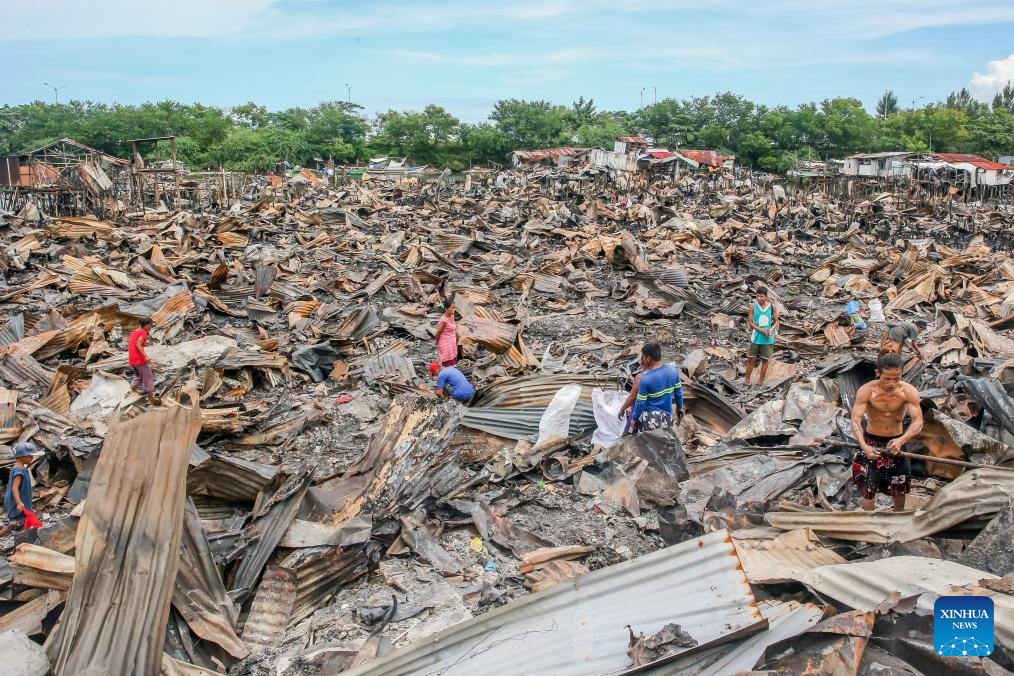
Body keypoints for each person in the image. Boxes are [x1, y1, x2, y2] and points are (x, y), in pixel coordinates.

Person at [850, 352, 924, 511]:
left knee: (899, 487)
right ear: (878, 373)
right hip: (871, 442)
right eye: (887, 378)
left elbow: (918, 421)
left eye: (896, 378)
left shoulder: (907, 391)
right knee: (868, 488)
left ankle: (898, 518)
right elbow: (855, 421)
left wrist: (901, 441)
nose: (892, 383)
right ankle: (869, 525)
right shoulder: (867, 391)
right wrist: (863, 445)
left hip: (896, 443)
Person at [618, 342, 684, 433]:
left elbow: (640, 402)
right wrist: (679, 408)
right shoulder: (673, 371)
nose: (642, 360)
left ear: (648, 358)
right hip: (667, 416)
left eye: (643, 357)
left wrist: (634, 418)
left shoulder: (645, 378)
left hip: (650, 419)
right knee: (662, 442)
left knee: (648, 443)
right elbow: (679, 393)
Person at [0, 443, 36, 538]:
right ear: (22, 456)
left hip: (15, 499)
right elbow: (14, 488)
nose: (32, 457)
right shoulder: (19, 470)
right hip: (16, 500)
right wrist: (19, 503)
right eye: (30, 456)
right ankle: (21, 542)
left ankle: (23, 539)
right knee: (17, 523)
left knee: (21, 521)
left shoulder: (17, 467)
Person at [745, 287, 778, 385]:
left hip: (768, 338)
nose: (759, 298)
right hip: (756, 337)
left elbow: (776, 321)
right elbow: (750, 323)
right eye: (757, 296)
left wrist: (771, 330)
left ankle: (761, 380)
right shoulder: (753, 307)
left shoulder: (772, 307)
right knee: (751, 359)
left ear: (766, 296)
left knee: (765, 360)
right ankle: (747, 379)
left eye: (762, 296)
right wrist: (762, 331)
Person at [128, 317, 155, 404]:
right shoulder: (143, 332)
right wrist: (146, 356)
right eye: (150, 325)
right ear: (147, 325)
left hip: (132, 359)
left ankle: (128, 393)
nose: (151, 327)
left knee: (138, 377)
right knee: (148, 377)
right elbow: (138, 344)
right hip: (139, 359)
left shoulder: (135, 331)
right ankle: (150, 399)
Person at [434, 302, 458, 367]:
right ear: (446, 309)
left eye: (454, 308)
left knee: (453, 363)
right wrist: (437, 342)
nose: (454, 309)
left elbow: (453, 329)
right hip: (446, 344)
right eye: (452, 308)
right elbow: (438, 334)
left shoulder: (452, 316)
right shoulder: (443, 321)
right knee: (448, 364)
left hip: (452, 343)